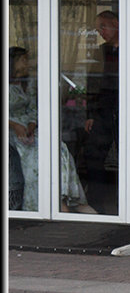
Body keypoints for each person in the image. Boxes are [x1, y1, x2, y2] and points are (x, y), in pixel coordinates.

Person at [81, 10, 130, 212]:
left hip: (129, 110)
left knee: (128, 157)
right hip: (103, 112)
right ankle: (96, 203)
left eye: (103, 27)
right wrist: (90, 113)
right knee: (93, 154)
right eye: (98, 29)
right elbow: (92, 83)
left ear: (116, 23)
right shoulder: (101, 51)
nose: (101, 32)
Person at [8, 46, 96, 213]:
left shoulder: (28, 82)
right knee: (38, 155)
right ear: (14, 62)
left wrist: (31, 126)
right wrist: (15, 125)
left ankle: (64, 196)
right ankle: (54, 203)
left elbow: (34, 108)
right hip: (11, 131)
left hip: (28, 130)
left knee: (58, 148)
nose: (28, 63)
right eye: (24, 60)